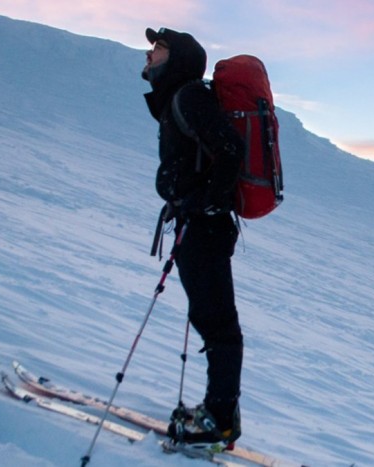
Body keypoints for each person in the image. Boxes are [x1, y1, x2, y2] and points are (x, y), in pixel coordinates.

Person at [141, 27, 244, 448]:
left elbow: (231, 150)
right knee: (210, 319)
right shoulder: (179, 100)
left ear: (178, 58)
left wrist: (209, 203)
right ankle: (218, 414)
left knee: (218, 325)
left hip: (204, 229)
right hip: (197, 226)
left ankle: (219, 421)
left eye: (158, 49)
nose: (149, 55)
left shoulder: (188, 98)